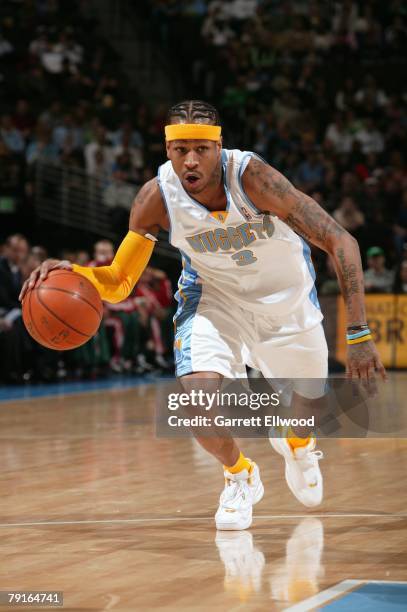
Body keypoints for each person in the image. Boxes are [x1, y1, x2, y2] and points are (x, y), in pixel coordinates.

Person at [21, 100, 386, 531]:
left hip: (287, 301)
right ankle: (239, 475)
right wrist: (72, 272)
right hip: (215, 301)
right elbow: (119, 282)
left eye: (201, 149)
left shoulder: (255, 179)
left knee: (308, 405)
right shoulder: (156, 199)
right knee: (196, 398)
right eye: (180, 150)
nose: (190, 160)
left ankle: (297, 443)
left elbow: (341, 241)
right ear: (167, 149)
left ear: (219, 147)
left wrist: (359, 334)